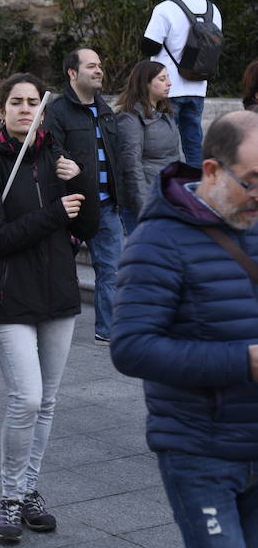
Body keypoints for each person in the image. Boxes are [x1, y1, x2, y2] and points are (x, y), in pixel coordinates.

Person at [111, 110, 258, 548]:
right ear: (211, 170)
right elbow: (131, 348)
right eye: (252, 180)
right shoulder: (157, 242)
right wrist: (243, 361)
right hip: (201, 453)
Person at [0, 73, 97, 543]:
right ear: (1, 110)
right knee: (27, 399)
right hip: (11, 299)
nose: (25, 109)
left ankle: (30, 490)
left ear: (43, 112)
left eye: (33, 103)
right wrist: (53, 216)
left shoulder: (57, 160)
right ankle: (9, 498)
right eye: (16, 102)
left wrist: (79, 176)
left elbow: (92, 226)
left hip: (58, 296)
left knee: (48, 403)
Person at [44, 48, 119, 347]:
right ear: (72, 73)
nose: (99, 70)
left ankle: (108, 330)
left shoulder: (106, 110)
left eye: (100, 65)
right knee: (58, 269)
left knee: (111, 270)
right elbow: (52, 151)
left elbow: (116, 158)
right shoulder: (58, 111)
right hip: (71, 206)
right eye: (91, 66)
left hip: (107, 207)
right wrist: (77, 169)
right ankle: (47, 323)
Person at [141, 0, 222, 167]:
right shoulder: (214, 11)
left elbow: (150, 47)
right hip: (198, 88)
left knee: (163, 147)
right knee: (193, 145)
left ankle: (167, 192)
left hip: (167, 90)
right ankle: (193, 189)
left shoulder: (165, 8)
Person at [114, 61, 183, 233]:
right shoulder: (130, 118)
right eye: (162, 78)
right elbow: (131, 165)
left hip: (167, 198)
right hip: (146, 203)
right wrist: (144, 208)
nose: (169, 83)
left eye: (168, 77)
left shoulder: (166, 114)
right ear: (145, 83)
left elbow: (177, 156)